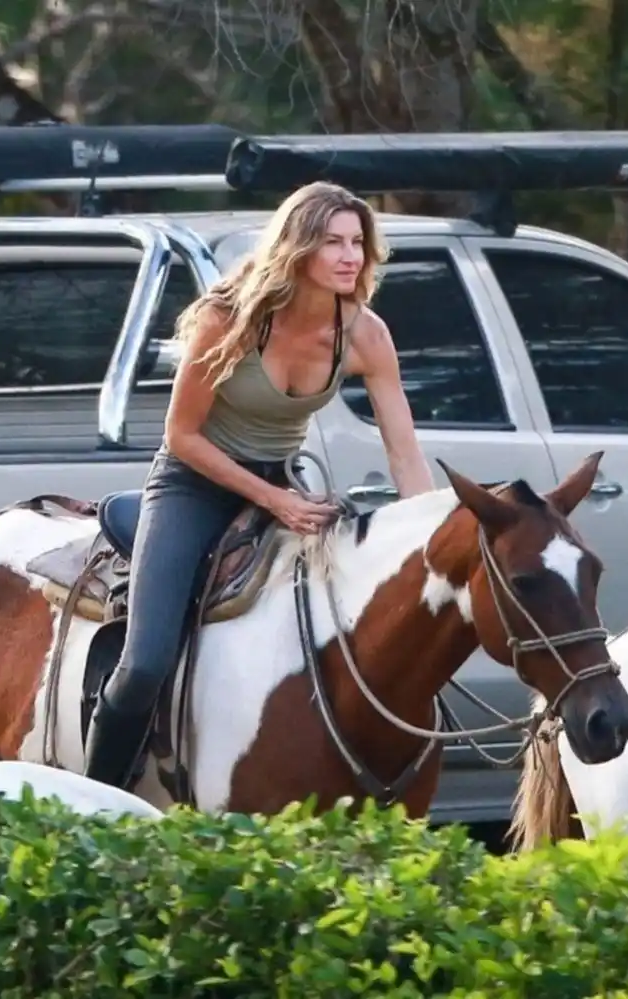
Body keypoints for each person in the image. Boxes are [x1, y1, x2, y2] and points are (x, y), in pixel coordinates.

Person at [81, 180, 435, 790]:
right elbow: (182, 435)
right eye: (333, 243)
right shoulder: (229, 318)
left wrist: (430, 539)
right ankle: (94, 795)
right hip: (192, 483)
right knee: (144, 664)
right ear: (298, 249)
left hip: (283, 482)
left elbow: (404, 453)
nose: (351, 256)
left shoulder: (367, 334)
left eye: (357, 242)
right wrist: (277, 503)